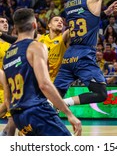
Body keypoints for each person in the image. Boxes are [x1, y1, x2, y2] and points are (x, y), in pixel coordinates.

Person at [3, 8, 82, 136]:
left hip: (19, 116)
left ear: (16, 27)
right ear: (35, 25)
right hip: (38, 111)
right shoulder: (36, 46)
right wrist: (68, 113)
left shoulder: (8, 55)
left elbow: (8, 95)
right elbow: (44, 84)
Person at [0, 17, 16, 136]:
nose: (5, 23)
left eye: (6, 22)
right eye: (1, 22)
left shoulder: (13, 45)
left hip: (10, 87)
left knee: (13, 119)